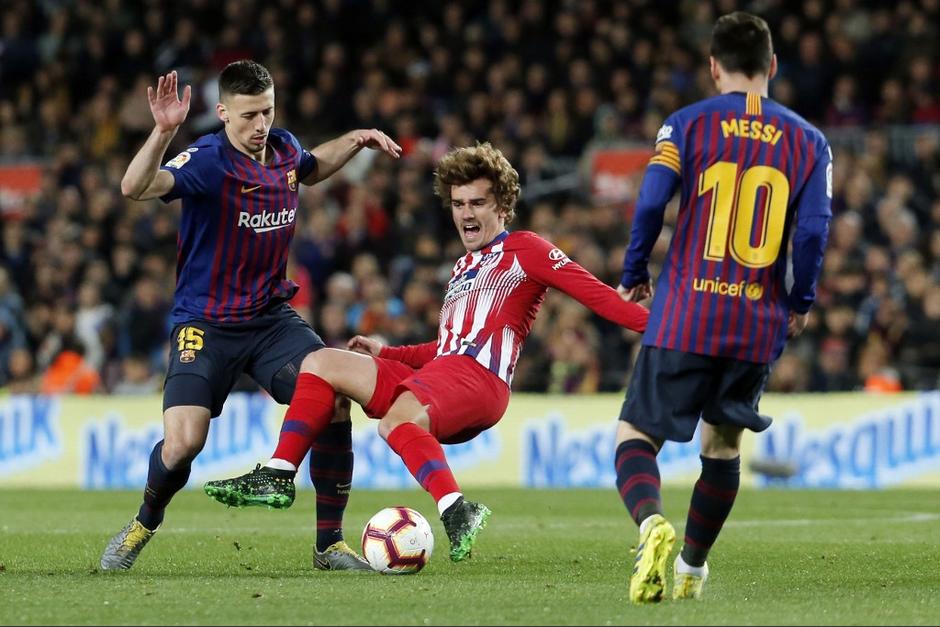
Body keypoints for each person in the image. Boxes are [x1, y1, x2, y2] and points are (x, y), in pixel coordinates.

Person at [204, 143, 650, 562]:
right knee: (321, 362)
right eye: (458, 204)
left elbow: (600, 297)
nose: (466, 214)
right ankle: (279, 473)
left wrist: (665, 331)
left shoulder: (526, 249)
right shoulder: (462, 267)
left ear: (502, 206)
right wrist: (388, 352)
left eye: (477, 203)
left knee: (395, 421)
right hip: (444, 374)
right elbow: (446, 347)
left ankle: (457, 508)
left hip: (480, 381)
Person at [99, 61, 402, 572]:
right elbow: (135, 187)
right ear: (222, 113)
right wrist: (163, 131)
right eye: (248, 116)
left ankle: (329, 545)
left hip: (270, 321)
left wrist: (355, 139)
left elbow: (312, 167)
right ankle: (142, 524)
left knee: (332, 400)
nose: (260, 125)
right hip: (205, 324)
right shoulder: (207, 160)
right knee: (184, 442)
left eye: (267, 111)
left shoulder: (284, 147)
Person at [615, 12, 832, 603]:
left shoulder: (685, 124)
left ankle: (650, 524)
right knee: (723, 447)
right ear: (772, 65)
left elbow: (650, 204)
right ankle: (691, 569)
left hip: (686, 313)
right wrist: (801, 300)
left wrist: (635, 273)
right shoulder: (810, 142)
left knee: (635, 434)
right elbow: (814, 231)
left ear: (713, 67)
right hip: (755, 323)